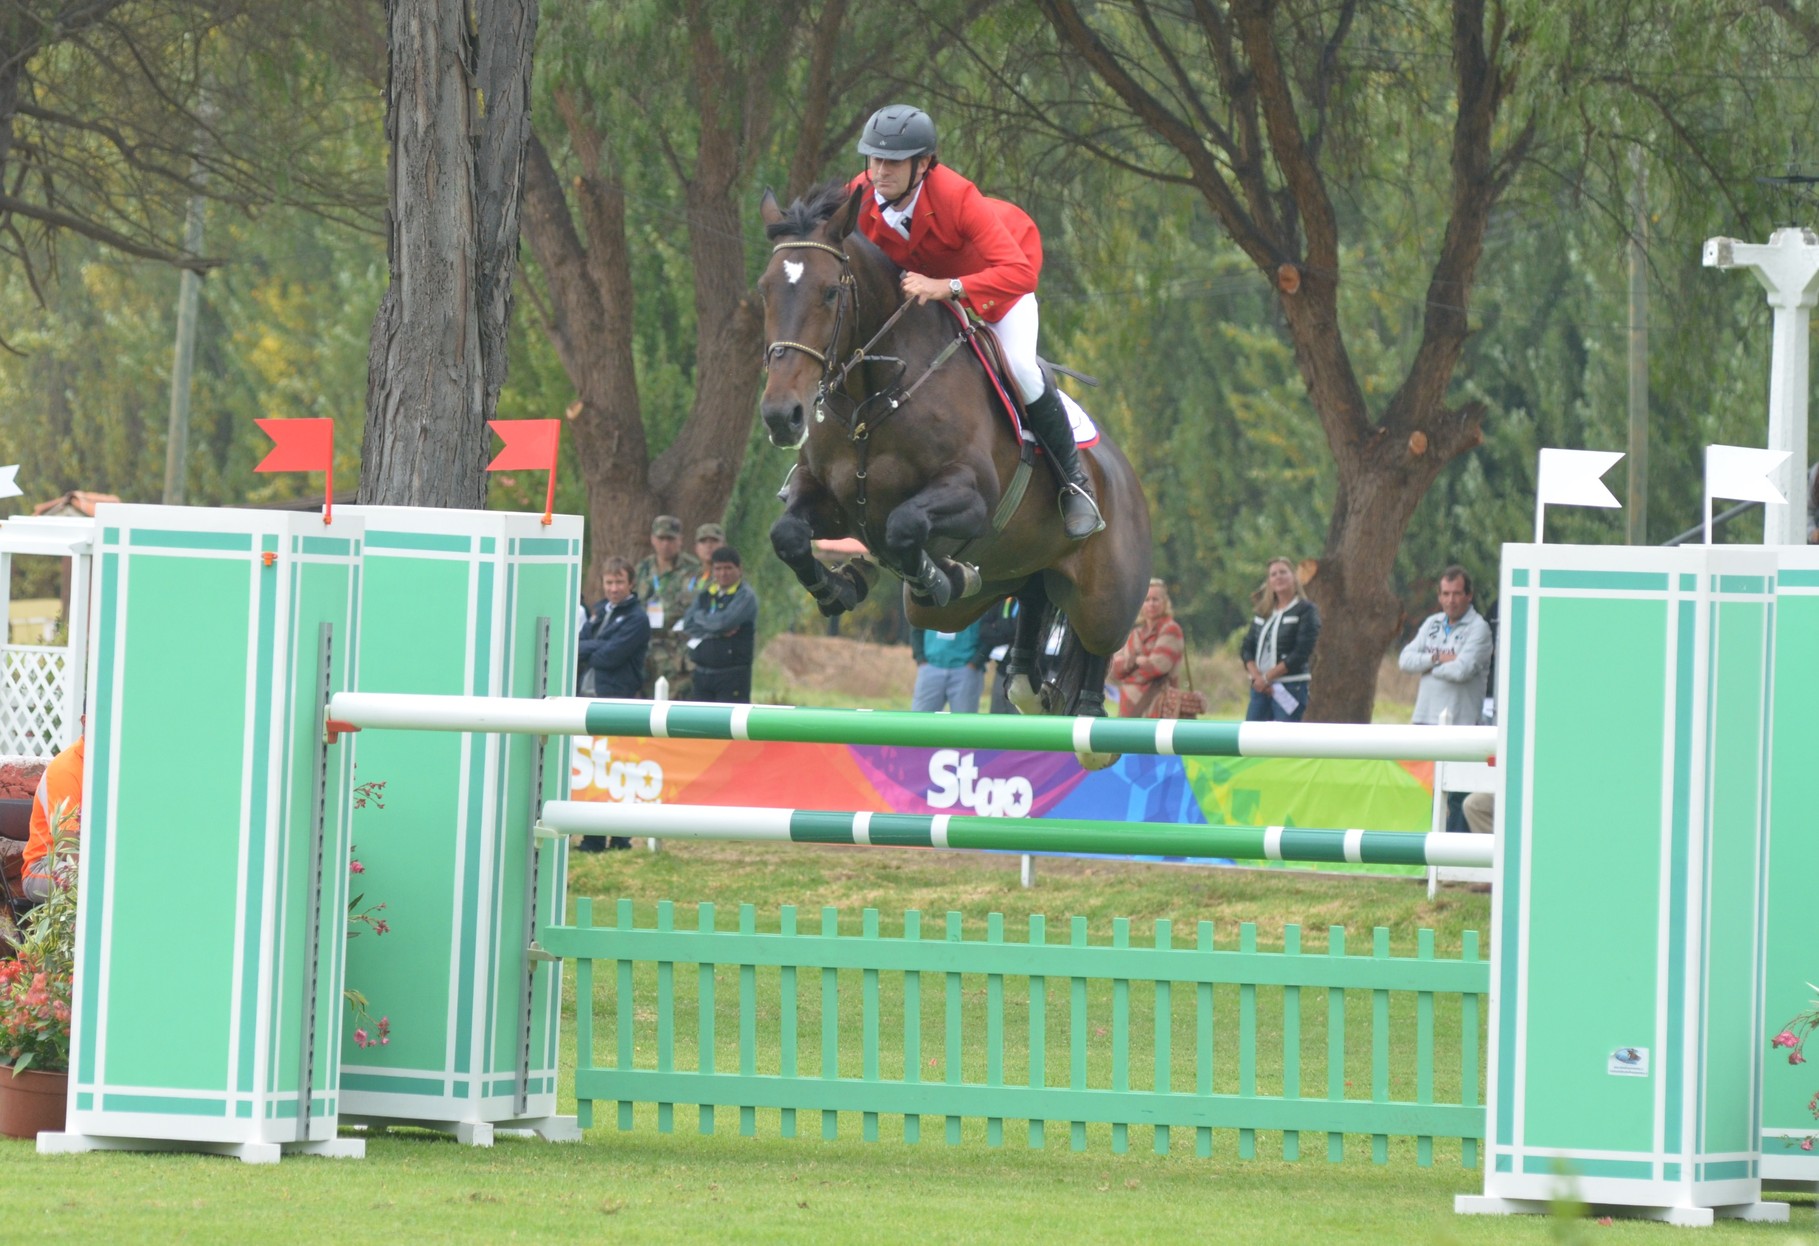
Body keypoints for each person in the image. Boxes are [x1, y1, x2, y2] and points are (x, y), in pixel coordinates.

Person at [851, 104, 1103, 540]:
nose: (880, 171)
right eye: (874, 159)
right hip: (926, 297)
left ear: (924, 164)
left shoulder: (955, 195)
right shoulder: (860, 193)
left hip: (997, 287)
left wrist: (947, 287)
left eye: (892, 161)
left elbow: (1020, 273)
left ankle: (1073, 485)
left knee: (1021, 368)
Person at [575, 558, 650, 850]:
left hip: (616, 700)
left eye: (619, 582)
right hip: (587, 698)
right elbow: (578, 646)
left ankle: (620, 836)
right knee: (590, 769)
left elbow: (610, 657)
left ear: (630, 584)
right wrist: (596, 648)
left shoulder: (637, 619)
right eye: (609, 582)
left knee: (617, 769)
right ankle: (592, 836)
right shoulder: (597, 612)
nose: (613, 588)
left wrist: (593, 649)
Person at [1398, 565, 1493, 727]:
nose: (1450, 601)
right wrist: (1436, 659)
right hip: (1424, 719)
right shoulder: (1431, 623)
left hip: (1460, 723)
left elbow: (1462, 670)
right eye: (1446, 594)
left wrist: (1427, 667)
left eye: (1456, 594)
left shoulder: (1479, 628)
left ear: (1469, 595)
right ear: (1439, 597)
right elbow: (1404, 661)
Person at [1240, 558, 1321, 722]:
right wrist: (1258, 678)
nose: (1278, 577)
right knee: (1253, 739)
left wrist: (1268, 677)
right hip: (1260, 688)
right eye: (1273, 574)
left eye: (1283, 572)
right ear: (1269, 581)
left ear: (1293, 577)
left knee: (1284, 742)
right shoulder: (1263, 611)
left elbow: (1301, 653)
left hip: (1291, 687)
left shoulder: (1306, 610)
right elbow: (1247, 647)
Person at [633, 515, 700, 700]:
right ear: (653, 540)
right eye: (661, 539)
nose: (665, 544)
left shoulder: (694, 569)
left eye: (670, 539)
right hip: (647, 649)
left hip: (679, 652)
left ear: (680, 540)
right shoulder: (643, 569)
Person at [682, 546, 758, 704]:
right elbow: (688, 623)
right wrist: (715, 628)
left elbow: (724, 623)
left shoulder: (745, 596)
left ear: (739, 569)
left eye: (728, 568)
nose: (723, 573)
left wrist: (703, 620)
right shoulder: (706, 594)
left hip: (732, 676)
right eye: (718, 568)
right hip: (702, 674)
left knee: (728, 725)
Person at [1108, 579, 1185, 718]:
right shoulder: (1135, 634)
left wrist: (1128, 670)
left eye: (1155, 599)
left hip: (1161, 709)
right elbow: (1114, 669)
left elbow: (1157, 667)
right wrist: (1137, 661)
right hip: (1129, 710)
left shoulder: (1171, 629)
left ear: (1164, 602)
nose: (1151, 604)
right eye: (1147, 600)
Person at [23, 731, 84, 903]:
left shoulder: (115, 767)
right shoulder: (66, 768)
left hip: (86, 863)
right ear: (85, 721)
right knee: (92, 883)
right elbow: (66, 845)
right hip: (45, 865)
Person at [909, 621, 989, 713]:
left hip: (966, 669)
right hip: (931, 666)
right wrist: (920, 658)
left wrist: (975, 662)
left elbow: (989, 628)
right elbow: (916, 624)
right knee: (920, 720)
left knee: (964, 723)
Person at [977, 598, 1020, 713]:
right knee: (997, 713)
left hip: (1023, 673)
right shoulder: (1004, 601)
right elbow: (984, 630)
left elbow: (1020, 632)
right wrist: (1008, 636)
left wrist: (999, 628)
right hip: (1002, 669)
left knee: (1018, 717)